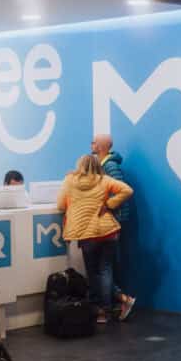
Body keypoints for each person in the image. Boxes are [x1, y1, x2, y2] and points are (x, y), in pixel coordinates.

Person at [57, 155, 136, 323]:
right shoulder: (104, 180)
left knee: (93, 273)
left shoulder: (69, 180)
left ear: (79, 166)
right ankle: (109, 308)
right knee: (106, 270)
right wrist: (109, 204)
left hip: (86, 233)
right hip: (108, 230)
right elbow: (128, 190)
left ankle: (101, 311)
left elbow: (60, 205)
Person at [92, 134, 134, 318]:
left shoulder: (110, 166)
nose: (91, 144)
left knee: (105, 266)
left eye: (94, 142)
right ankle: (117, 302)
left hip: (115, 221)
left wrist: (108, 206)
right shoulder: (104, 165)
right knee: (108, 266)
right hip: (113, 221)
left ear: (101, 146)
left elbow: (121, 191)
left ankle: (117, 302)